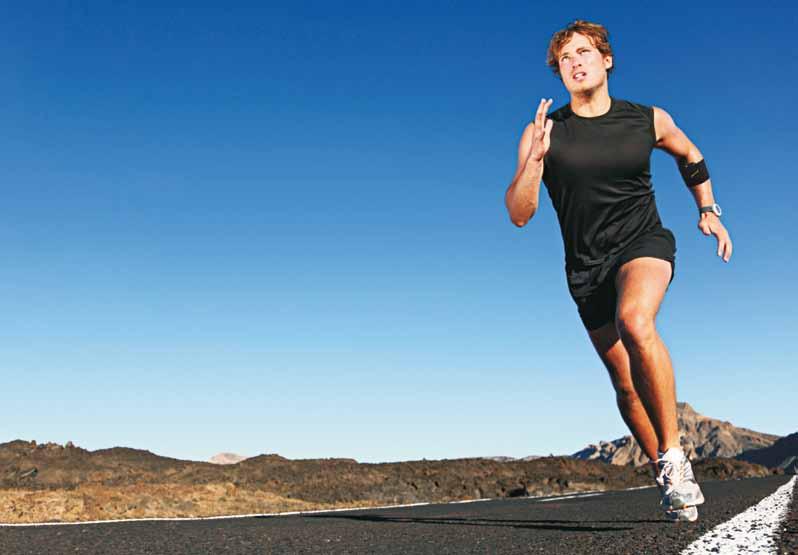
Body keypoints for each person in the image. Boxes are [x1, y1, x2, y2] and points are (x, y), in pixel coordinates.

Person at [504, 20, 733, 522]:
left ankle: (675, 457)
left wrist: (708, 209)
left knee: (635, 320)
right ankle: (663, 471)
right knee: (626, 386)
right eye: (565, 58)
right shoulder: (543, 132)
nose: (575, 63)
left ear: (606, 60)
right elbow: (520, 213)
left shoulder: (647, 119)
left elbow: (690, 155)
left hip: (643, 243)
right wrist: (535, 162)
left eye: (584, 52)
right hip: (585, 268)